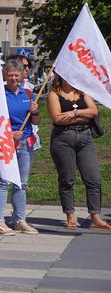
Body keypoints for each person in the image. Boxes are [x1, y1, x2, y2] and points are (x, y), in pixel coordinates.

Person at [0, 55, 41, 229]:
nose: (13, 78)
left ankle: (20, 220)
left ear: (22, 75)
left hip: (26, 144)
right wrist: (9, 134)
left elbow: (36, 121)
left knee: (22, 183)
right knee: (3, 181)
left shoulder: (28, 93)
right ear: (5, 76)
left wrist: (35, 112)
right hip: (6, 143)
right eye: (10, 75)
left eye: (16, 75)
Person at [47, 74, 111, 230]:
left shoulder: (83, 92)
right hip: (63, 139)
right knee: (67, 179)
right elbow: (57, 119)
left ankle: (95, 216)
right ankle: (70, 215)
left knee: (93, 179)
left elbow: (93, 111)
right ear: (60, 77)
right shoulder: (53, 94)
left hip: (85, 138)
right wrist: (84, 116)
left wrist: (75, 113)